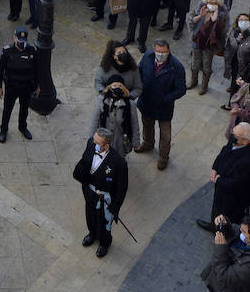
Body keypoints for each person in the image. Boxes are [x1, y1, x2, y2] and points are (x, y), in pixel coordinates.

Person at [72, 126, 128, 258]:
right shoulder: (90, 144)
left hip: (105, 199)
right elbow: (84, 162)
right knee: (90, 216)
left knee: (104, 222)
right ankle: (92, 234)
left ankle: (104, 242)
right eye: (94, 140)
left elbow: (122, 188)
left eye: (97, 143)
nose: (94, 144)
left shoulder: (119, 162)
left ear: (106, 146)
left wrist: (115, 207)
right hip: (90, 192)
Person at [198, 123, 250, 232]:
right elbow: (223, 152)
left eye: (235, 135)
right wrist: (215, 168)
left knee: (224, 213)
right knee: (217, 207)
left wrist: (218, 180)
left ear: (245, 141)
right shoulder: (236, 142)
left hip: (232, 194)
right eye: (233, 132)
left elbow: (236, 183)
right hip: (223, 186)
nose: (231, 136)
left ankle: (221, 232)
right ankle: (214, 225)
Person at [135, 39, 187, 169]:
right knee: (147, 125)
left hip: (164, 107)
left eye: (163, 52)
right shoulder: (147, 57)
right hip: (146, 102)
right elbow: (139, 72)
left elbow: (181, 89)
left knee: (165, 135)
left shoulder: (176, 67)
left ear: (169, 51)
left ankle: (163, 157)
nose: (160, 54)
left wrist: (165, 99)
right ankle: (148, 144)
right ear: (154, 50)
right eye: (158, 51)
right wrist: (139, 88)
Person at [0, 27, 38, 143]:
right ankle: (3, 130)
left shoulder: (31, 50)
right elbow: (0, 70)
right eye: (19, 40)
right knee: (7, 110)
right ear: (14, 38)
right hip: (11, 86)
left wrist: (37, 86)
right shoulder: (7, 51)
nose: (21, 43)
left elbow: (36, 70)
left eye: (23, 41)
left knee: (24, 109)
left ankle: (22, 127)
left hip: (26, 86)